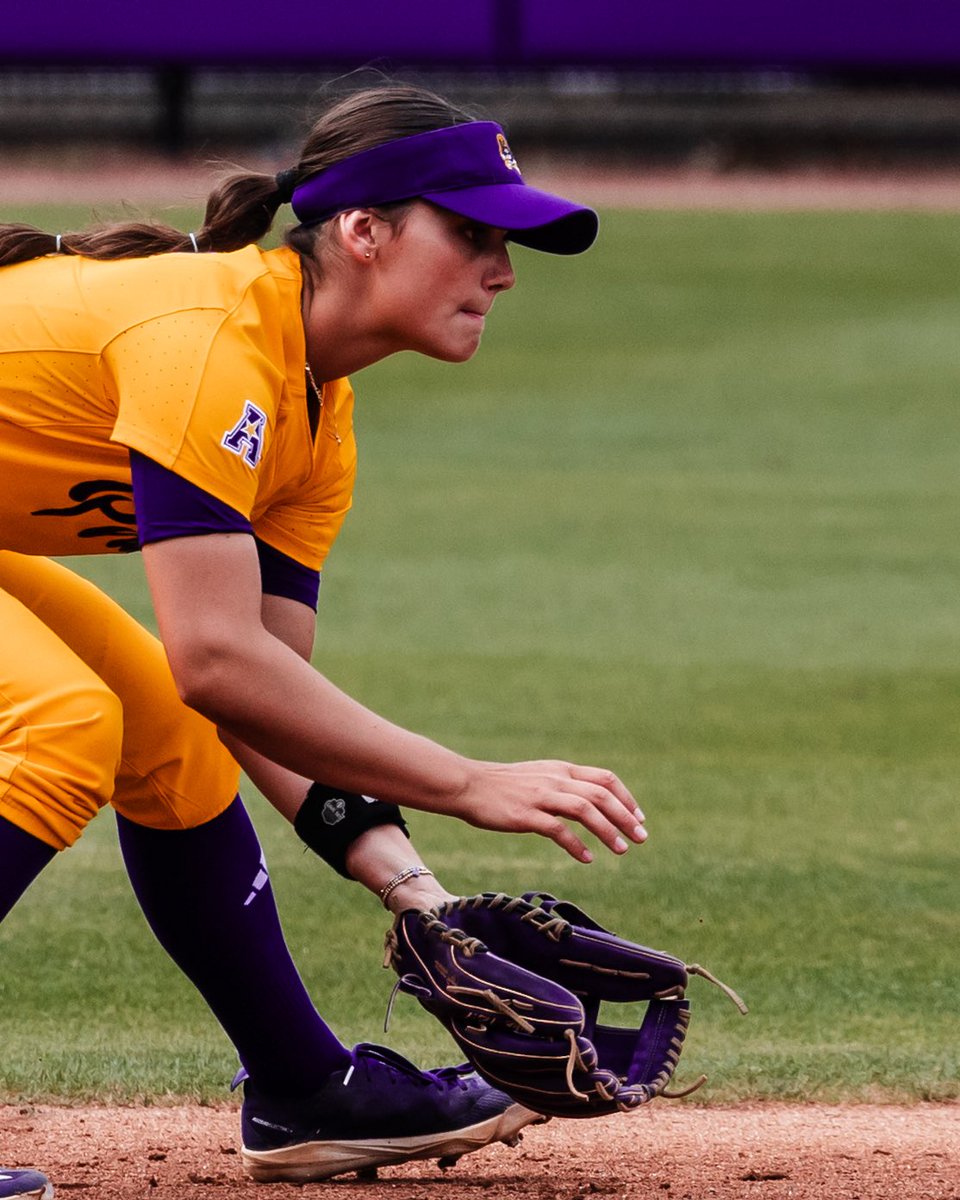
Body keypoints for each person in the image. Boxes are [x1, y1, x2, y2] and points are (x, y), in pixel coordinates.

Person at [0, 84, 647, 1192]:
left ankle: (305, 1089)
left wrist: (412, 885)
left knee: (171, 736)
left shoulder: (314, 419)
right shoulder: (212, 338)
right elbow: (217, 656)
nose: (502, 270)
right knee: (63, 724)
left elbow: (253, 696)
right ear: (362, 230)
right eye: (473, 234)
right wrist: (468, 782)